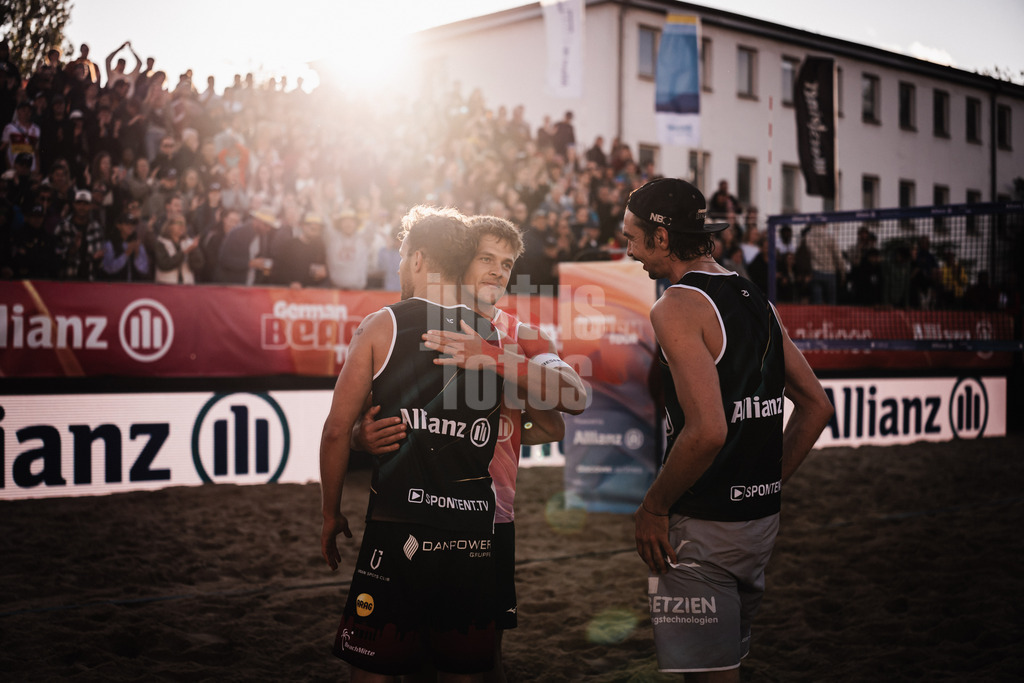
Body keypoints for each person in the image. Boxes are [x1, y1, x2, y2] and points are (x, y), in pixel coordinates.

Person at [622, 178, 833, 680]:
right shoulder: (754, 295)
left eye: (632, 237)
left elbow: (708, 431)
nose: (628, 251)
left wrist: (654, 506)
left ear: (662, 238)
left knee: (702, 674)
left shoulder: (674, 305)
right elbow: (816, 406)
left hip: (705, 528)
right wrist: (766, 483)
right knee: (725, 662)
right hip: (760, 526)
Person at [354, 215, 582, 681]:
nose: (498, 271)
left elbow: (572, 400)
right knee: (401, 657)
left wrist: (496, 366)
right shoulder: (406, 321)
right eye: (486, 258)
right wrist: (362, 436)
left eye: (507, 262)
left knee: (481, 661)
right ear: (460, 259)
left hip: (490, 518)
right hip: (410, 513)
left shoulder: (519, 332)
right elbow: (355, 420)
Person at [319, 205, 506, 680]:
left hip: (400, 523)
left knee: (376, 667)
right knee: (463, 672)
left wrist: (330, 513)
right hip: (472, 528)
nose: (400, 267)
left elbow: (337, 430)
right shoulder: (489, 334)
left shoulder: (383, 323)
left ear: (419, 259)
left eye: (402, 257)